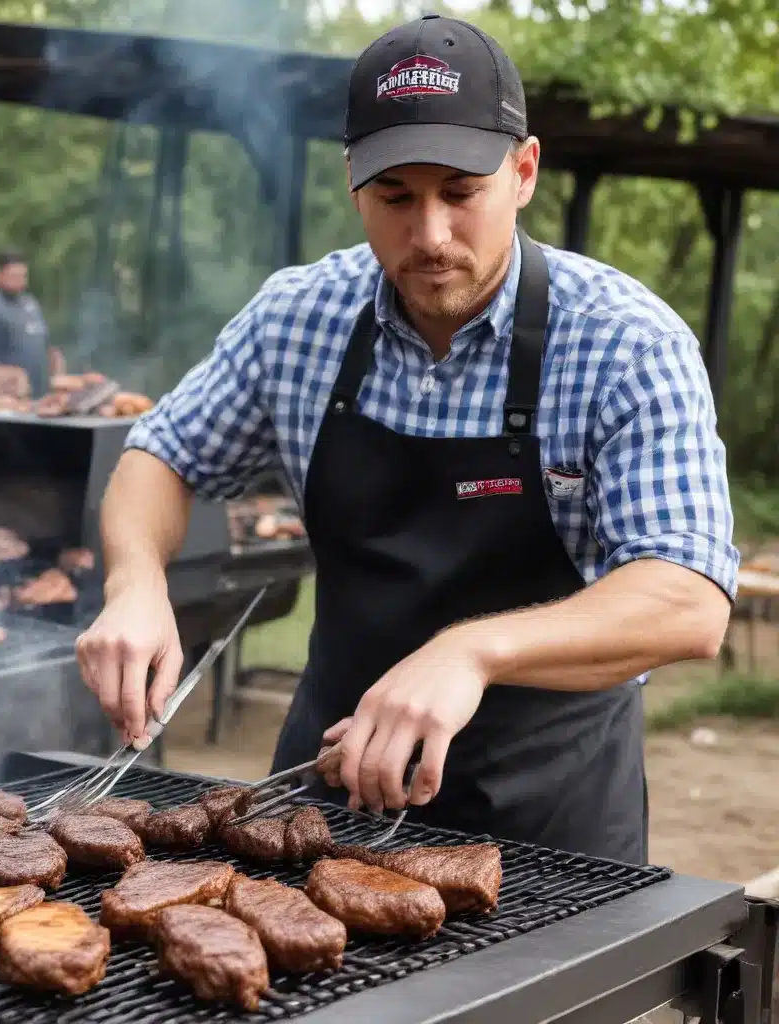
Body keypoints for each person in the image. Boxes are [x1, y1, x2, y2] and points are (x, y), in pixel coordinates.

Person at [75, 15, 737, 864]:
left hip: (548, 817)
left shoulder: (625, 342)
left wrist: (472, 651)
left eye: (461, 193)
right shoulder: (298, 317)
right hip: (325, 796)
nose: (429, 236)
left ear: (523, 171)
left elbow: (688, 598)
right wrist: (136, 583)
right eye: (396, 198)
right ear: (354, 184)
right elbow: (158, 455)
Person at [0, 250, 50, 398]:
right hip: (12, 400)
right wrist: (16, 377)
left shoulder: (30, 303)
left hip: (43, 397)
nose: (21, 281)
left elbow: (46, 344)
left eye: (23, 276)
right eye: (14, 276)